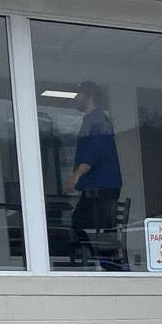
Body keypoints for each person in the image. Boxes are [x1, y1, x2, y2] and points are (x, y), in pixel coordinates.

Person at [64, 81, 123, 265]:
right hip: (100, 185)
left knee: (84, 224)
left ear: (88, 96)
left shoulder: (97, 120)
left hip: (102, 187)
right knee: (93, 227)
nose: (75, 98)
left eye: (78, 94)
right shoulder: (94, 119)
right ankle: (105, 262)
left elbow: (94, 152)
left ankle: (107, 264)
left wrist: (76, 175)